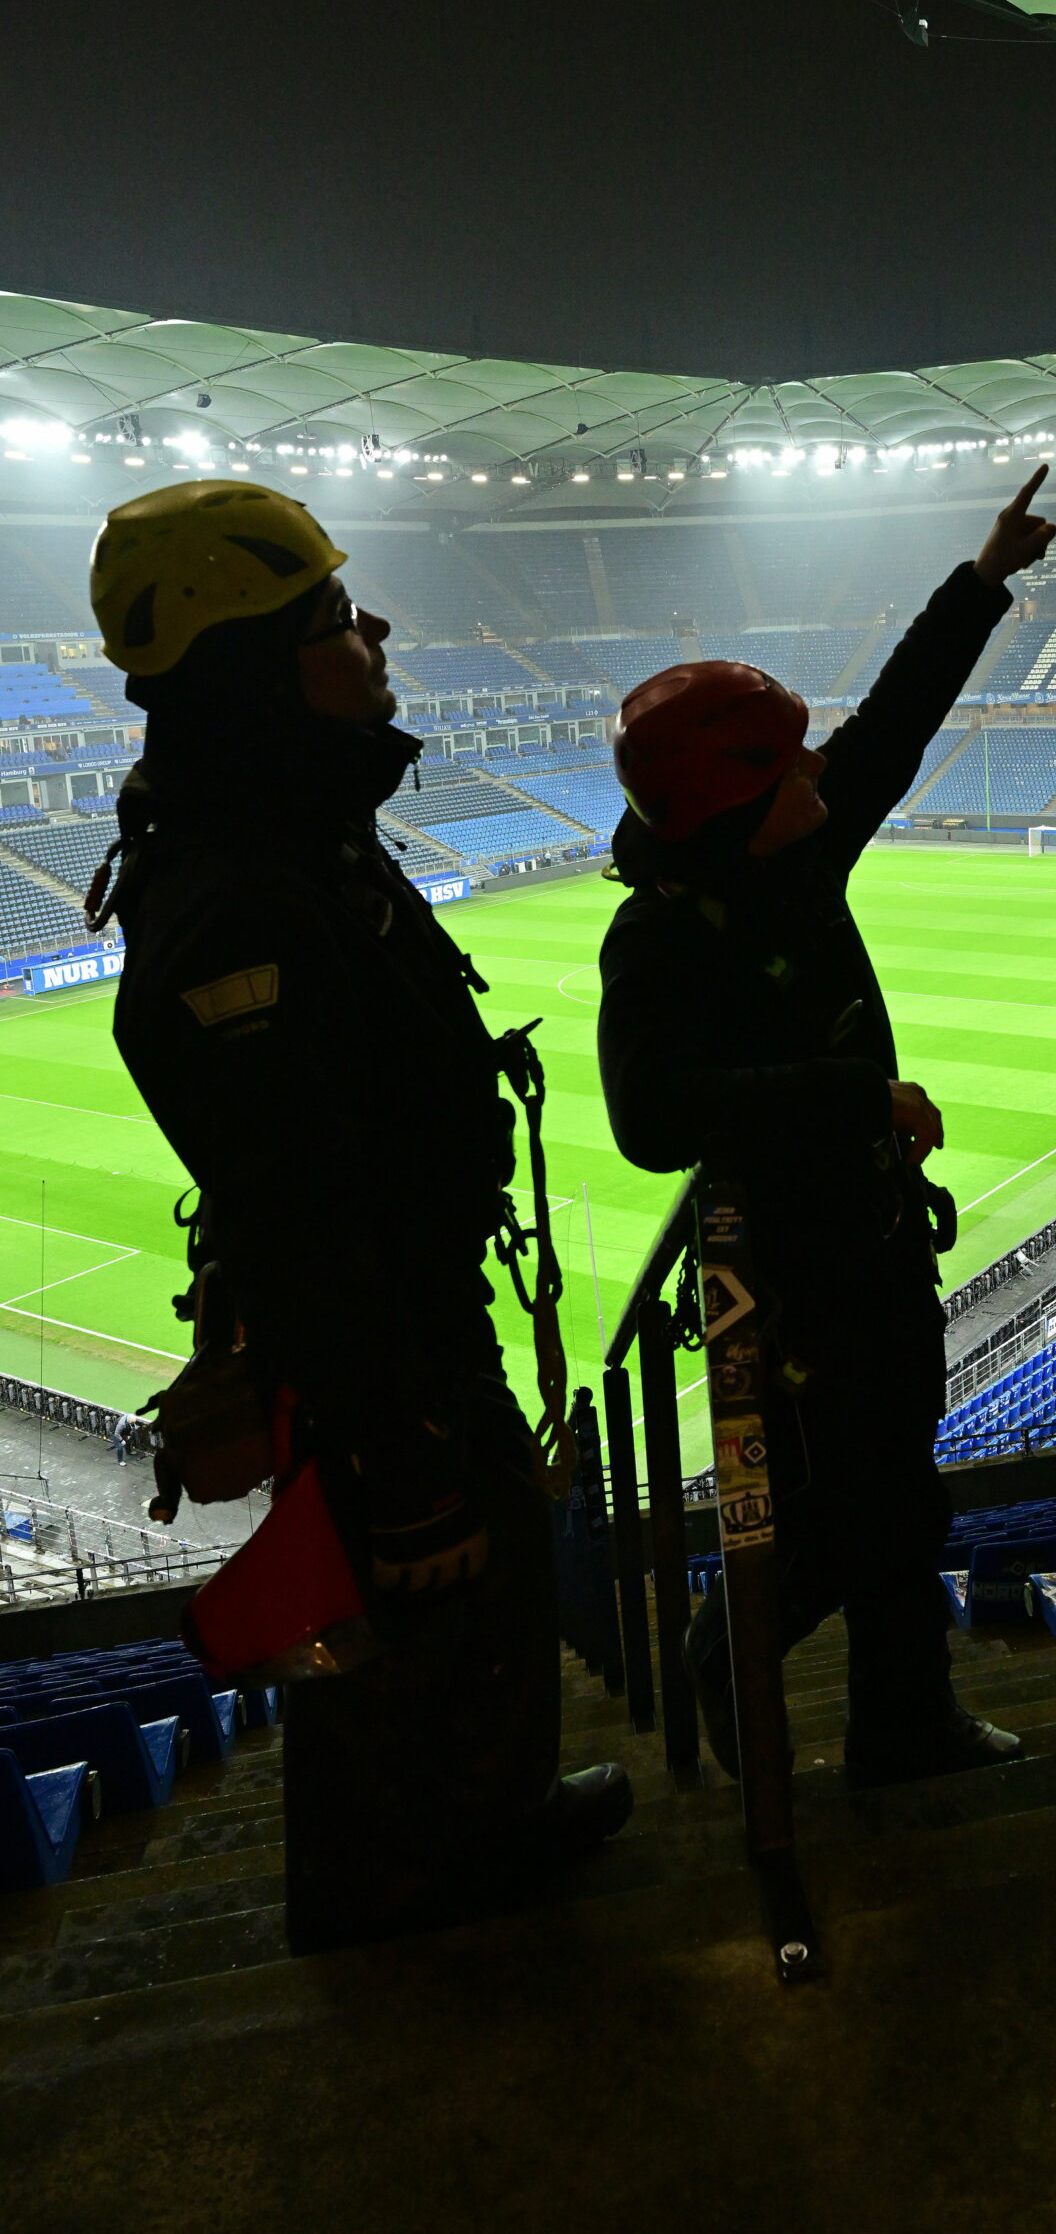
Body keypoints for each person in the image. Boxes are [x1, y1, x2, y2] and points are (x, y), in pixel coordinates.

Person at [87, 478, 628, 1951]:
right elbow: (301, 1216)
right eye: (332, 614)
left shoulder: (286, 828)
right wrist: (404, 1463)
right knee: (421, 1604)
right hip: (383, 1356)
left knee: (445, 1620)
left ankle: (464, 1840)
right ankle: (423, 1903)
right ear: (257, 667)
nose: (374, 629)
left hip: (405, 1324)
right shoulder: (239, 903)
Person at [598, 466, 1056, 1785]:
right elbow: (648, 1120)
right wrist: (852, 1094)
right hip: (792, 1278)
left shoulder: (789, 847)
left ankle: (879, 1719)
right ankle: (775, 1689)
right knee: (860, 1512)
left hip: (861, 1242)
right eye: (785, 757)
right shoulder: (659, 941)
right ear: (725, 801)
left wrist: (982, 582)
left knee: (881, 1502)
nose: (820, 765)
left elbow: (897, 723)